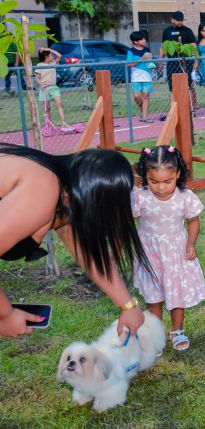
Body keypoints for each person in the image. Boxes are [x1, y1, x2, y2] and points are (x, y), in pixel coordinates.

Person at [0, 143, 151, 338]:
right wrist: (7, 315)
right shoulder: (43, 189)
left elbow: (90, 256)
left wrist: (128, 306)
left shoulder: (65, 197)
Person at [133, 145, 205, 352]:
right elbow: (129, 218)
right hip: (150, 255)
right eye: (154, 181)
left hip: (175, 255)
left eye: (168, 181)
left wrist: (190, 243)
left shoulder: (185, 197)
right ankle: (156, 336)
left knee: (177, 294)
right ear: (145, 177)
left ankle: (177, 331)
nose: (161, 187)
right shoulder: (140, 196)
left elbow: (193, 221)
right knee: (153, 297)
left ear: (178, 174)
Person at [159, 11, 199, 112]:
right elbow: (163, 47)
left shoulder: (188, 31)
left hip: (186, 63)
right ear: (172, 20)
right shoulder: (166, 31)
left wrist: (196, 61)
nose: (180, 22)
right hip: (172, 63)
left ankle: (192, 107)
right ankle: (173, 109)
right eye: (177, 20)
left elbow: (194, 47)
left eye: (181, 20)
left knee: (188, 85)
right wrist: (160, 62)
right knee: (172, 87)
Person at [34, 47, 69, 128]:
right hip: (44, 88)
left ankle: (63, 123)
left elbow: (59, 56)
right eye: (51, 55)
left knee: (59, 104)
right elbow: (37, 77)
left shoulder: (53, 63)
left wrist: (48, 49)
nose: (53, 56)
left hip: (53, 87)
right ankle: (49, 125)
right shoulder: (39, 65)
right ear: (46, 57)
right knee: (47, 108)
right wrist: (41, 84)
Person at [127, 31, 156, 123]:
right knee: (137, 97)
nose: (144, 40)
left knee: (146, 96)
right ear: (135, 41)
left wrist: (151, 61)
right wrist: (142, 59)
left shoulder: (147, 50)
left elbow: (150, 63)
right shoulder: (131, 51)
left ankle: (144, 117)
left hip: (147, 77)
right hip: (136, 77)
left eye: (144, 39)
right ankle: (142, 110)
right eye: (142, 39)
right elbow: (129, 64)